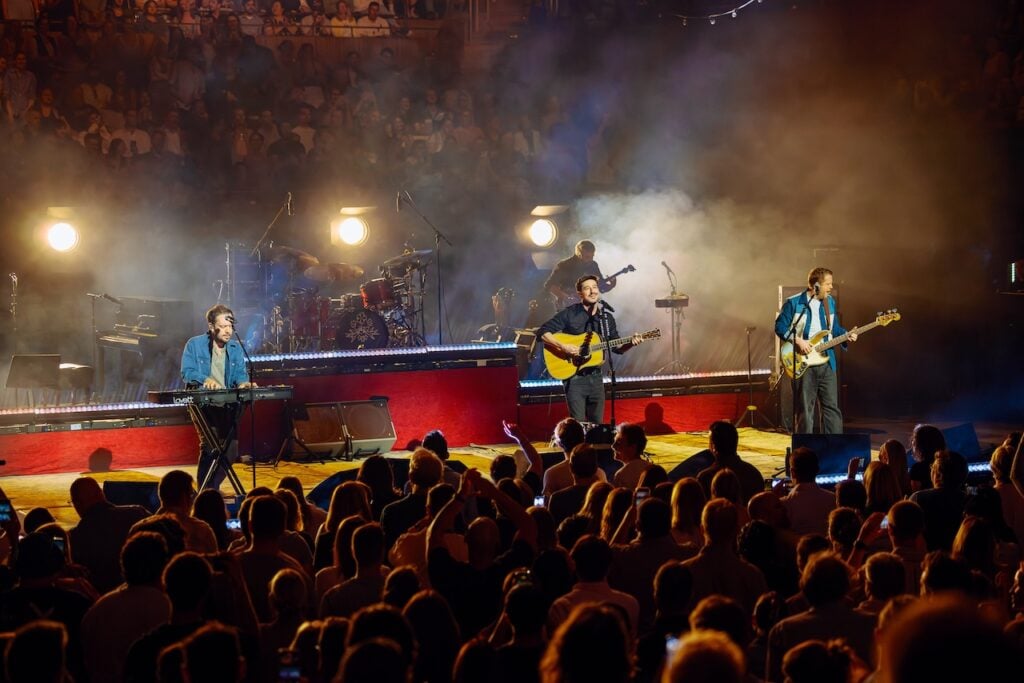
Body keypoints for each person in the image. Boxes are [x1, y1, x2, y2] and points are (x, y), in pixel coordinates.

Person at [538, 275, 643, 423]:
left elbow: (617, 348)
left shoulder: (606, 319)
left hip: (596, 378)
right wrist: (564, 346)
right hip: (574, 378)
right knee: (579, 426)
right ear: (580, 294)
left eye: (595, 287)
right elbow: (542, 332)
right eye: (587, 288)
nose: (592, 291)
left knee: (597, 427)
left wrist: (631, 343)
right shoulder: (569, 313)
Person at [180, 304, 255, 490]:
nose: (228, 331)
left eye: (231, 326)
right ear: (211, 326)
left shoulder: (235, 348)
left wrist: (243, 384)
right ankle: (206, 492)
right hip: (203, 403)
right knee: (210, 446)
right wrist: (205, 379)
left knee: (231, 450)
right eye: (224, 326)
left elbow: (240, 373)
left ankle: (210, 488)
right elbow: (187, 372)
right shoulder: (194, 344)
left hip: (228, 404)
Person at [774, 267, 857, 434]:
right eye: (828, 284)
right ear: (815, 285)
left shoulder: (830, 302)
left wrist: (847, 334)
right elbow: (780, 326)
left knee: (831, 409)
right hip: (803, 363)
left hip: (827, 362)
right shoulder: (794, 303)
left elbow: (834, 329)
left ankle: (833, 447)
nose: (831, 287)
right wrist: (797, 341)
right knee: (805, 410)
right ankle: (804, 453)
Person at [543, 239, 616, 310]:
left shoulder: (593, 265)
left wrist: (611, 285)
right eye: (587, 257)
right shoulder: (565, 265)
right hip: (567, 309)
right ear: (579, 254)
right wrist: (567, 297)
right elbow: (550, 285)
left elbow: (601, 287)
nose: (590, 260)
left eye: (592, 256)